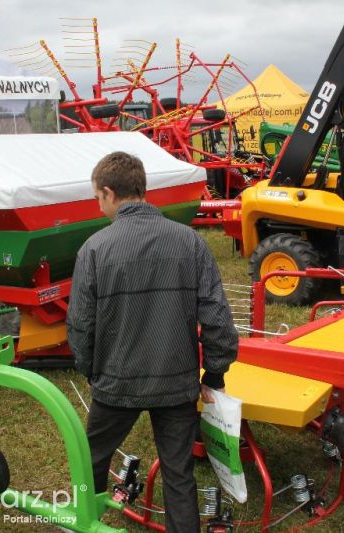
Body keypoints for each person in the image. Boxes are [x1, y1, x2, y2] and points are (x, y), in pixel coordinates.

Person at [66, 151, 239, 532]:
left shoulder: (94, 249)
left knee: (91, 458)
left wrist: (89, 368)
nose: (99, 207)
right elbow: (216, 316)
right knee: (179, 474)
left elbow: (80, 324)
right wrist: (215, 371)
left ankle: (85, 522)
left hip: (115, 383)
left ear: (110, 193)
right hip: (176, 383)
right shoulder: (189, 242)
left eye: (98, 198)